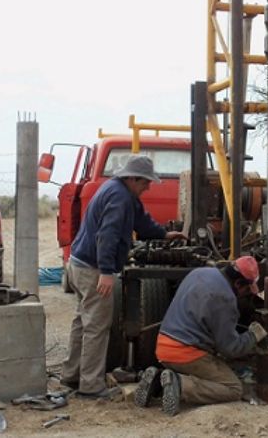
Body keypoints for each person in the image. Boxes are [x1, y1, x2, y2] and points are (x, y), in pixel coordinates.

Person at [61, 155, 186, 399]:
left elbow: (142, 222)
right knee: (97, 327)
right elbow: (107, 236)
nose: (148, 187)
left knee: (82, 323)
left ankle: (71, 375)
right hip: (93, 268)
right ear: (132, 178)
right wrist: (107, 272)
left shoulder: (123, 193)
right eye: (145, 182)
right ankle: (91, 386)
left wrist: (164, 234)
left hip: (78, 264)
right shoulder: (119, 197)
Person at [134, 256, 268, 416]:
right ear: (238, 283)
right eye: (247, 290)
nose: (245, 295)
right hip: (186, 353)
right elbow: (231, 349)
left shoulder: (200, 273)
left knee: (203, 365)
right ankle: (181, 385)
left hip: (163, 346)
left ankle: (156, 382)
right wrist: (253, 335)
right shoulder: (225, 298)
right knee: (233, 388)